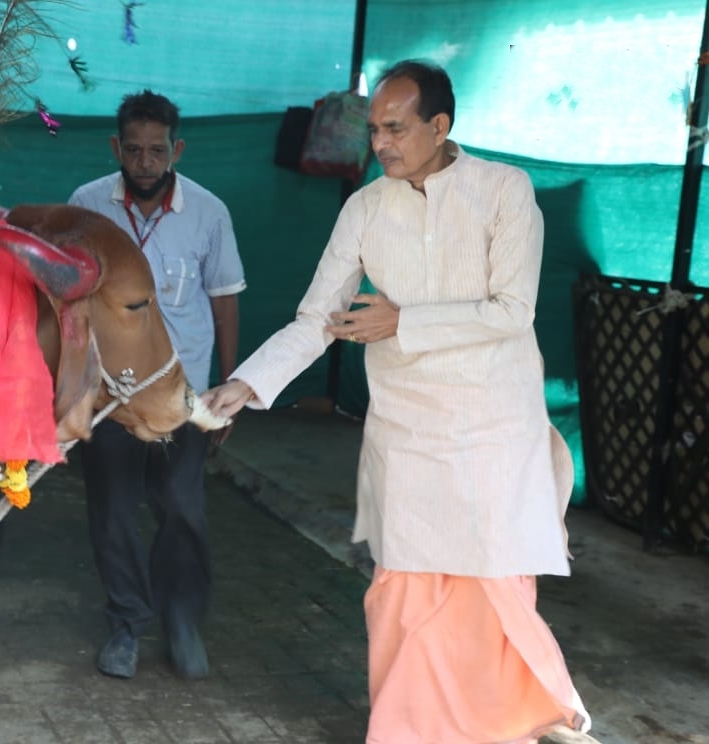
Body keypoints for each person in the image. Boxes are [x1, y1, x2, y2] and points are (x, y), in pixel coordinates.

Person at [202, 61, 591, 742]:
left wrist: (402, 320)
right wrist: (246, 384)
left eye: (395, 128)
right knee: (405, 592)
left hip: (494, 427)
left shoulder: (504, 191)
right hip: (408, 430)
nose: (380, 143)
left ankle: (498, 724)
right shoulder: (365, 207)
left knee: (492, 589)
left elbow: (512, 309)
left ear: (440, 127)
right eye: (374, 129)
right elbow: (318, 318)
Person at [68, 89, 246, 680]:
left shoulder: (209, 212)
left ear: (177, 149)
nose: (145, 162)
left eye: (157, 150)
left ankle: (183, 623)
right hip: (112, 398)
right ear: (117, 147)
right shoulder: (86, 205)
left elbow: (223, 303)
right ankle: (126, 626)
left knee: (182, 511)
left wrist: (229, 385)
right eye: (135, 150)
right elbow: (67, 307)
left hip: (184, 394)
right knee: (113, 514)